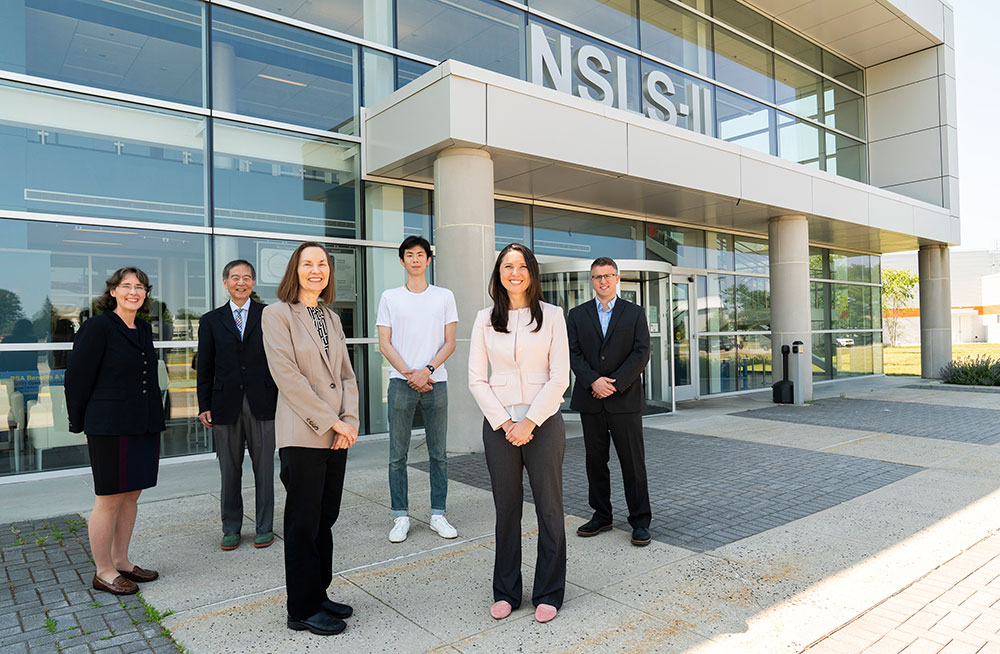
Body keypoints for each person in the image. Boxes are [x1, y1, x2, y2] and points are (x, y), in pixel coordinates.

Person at [261, 242, 359, 637]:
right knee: (303, 522)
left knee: (325, 517)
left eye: (322, 264)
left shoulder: (332, 318)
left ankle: (318, 593)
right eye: (308, 264)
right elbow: (288, 378)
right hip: (304, 432)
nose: (316, 270)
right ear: (294, 270)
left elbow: (348, 376)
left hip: (338, 431)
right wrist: (332, 422)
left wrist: (348, 419)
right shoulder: (277, 314)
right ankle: (301, 608)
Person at [468, 243, 569, 624]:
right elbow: (476, 379)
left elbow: (561, 376)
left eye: (521, 265)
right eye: (508, 266)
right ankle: (506, 590)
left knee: (549, 509)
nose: (515, 272)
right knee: (506, 510)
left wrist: (530, 421)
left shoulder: (553, 316)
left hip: (544, 423)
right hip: (499, 426)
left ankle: (549, 591)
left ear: (532, 272)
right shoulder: (484, 319)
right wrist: (506, 423)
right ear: (499, 273)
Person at [65, 267, 165, 596]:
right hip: (108, 425)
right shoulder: (98, 327)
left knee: (132, 495)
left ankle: (121, 561)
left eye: (140, 287)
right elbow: (77, 379)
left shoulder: (144, 328)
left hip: (143, 424)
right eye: (126, 286)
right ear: (113, 292)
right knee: (108, 499)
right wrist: (79, 423)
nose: (133, 292)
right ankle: (103, 571)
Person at [376, 236, 459, 543]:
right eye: (409, 255)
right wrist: (410, 372)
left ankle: (438, 513)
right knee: (397, 454)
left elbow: (450, 341)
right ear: (402, 261)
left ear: (428, 260)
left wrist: (428, 370)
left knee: (439, 454)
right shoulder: (390, 297)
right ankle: (400, 516)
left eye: (420, 254)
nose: (414, 259)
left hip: (436, 381)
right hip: (401, 382)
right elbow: (385, 342)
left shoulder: (444, 296)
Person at [566, 257, 652, 547]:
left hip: (624, 401)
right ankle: (601, 515)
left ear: (618, 278)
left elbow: (641, 353)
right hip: (591, 401)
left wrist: (613, 384)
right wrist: (594, 381)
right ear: (591, 281)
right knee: (595, 463)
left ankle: (640, 521)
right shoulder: (577, 315)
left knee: (633, 464)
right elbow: (573, 353)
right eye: (597, 276)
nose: (602, 281)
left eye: (607, 275)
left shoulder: (635, 313)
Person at [197, 259, 277, 551]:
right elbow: (204, 366)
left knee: (265, 468)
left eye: (246, 277)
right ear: (225, 282)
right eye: (234, 278)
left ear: (253, 283)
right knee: (229, 470)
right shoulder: (210, 320)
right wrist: (204, 403)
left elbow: (279, 361)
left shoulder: (269, 315)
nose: (240, 282)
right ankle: (230, 527)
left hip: (263, 402)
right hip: (224, 404)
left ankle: (264, 527)